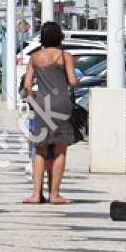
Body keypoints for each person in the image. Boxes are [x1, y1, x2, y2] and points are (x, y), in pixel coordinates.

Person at [20, 21, 80, 204]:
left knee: (40, 150)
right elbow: (72, 81)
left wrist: (35, 100)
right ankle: (55, 194)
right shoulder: (65, 56)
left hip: (42, 106)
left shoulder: (35, 57)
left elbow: (27, 85)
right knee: (61, 150)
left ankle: (36, 194)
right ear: (59, 37)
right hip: (61, 105)